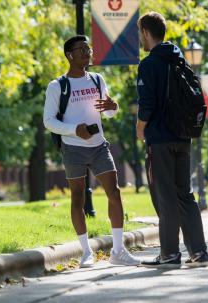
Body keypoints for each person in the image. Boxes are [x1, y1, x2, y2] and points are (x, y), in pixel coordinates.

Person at [43, 35, 140, 268]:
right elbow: (48, 121)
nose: (88, 52)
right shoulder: (58, 86)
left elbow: (107, 112)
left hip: (98, 145)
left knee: (114, 192)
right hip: (73, 148)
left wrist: (113, 107)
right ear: (70, 55)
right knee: (78, 198)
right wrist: (74, 130)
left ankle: (118, 251)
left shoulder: (97, 80)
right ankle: (86, 252)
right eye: (82, 49)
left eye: (88, 48)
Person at [136, 11, 208, 268]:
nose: (140, 39)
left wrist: (140, 126)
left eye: (140, 33)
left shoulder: (148, 64)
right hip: (183, 136)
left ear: (146, 31)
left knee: (165, 195)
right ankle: (199, 253)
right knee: (184, 194)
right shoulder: (180, 62)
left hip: (161, 139)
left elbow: (147, 103)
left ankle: (169, 253)